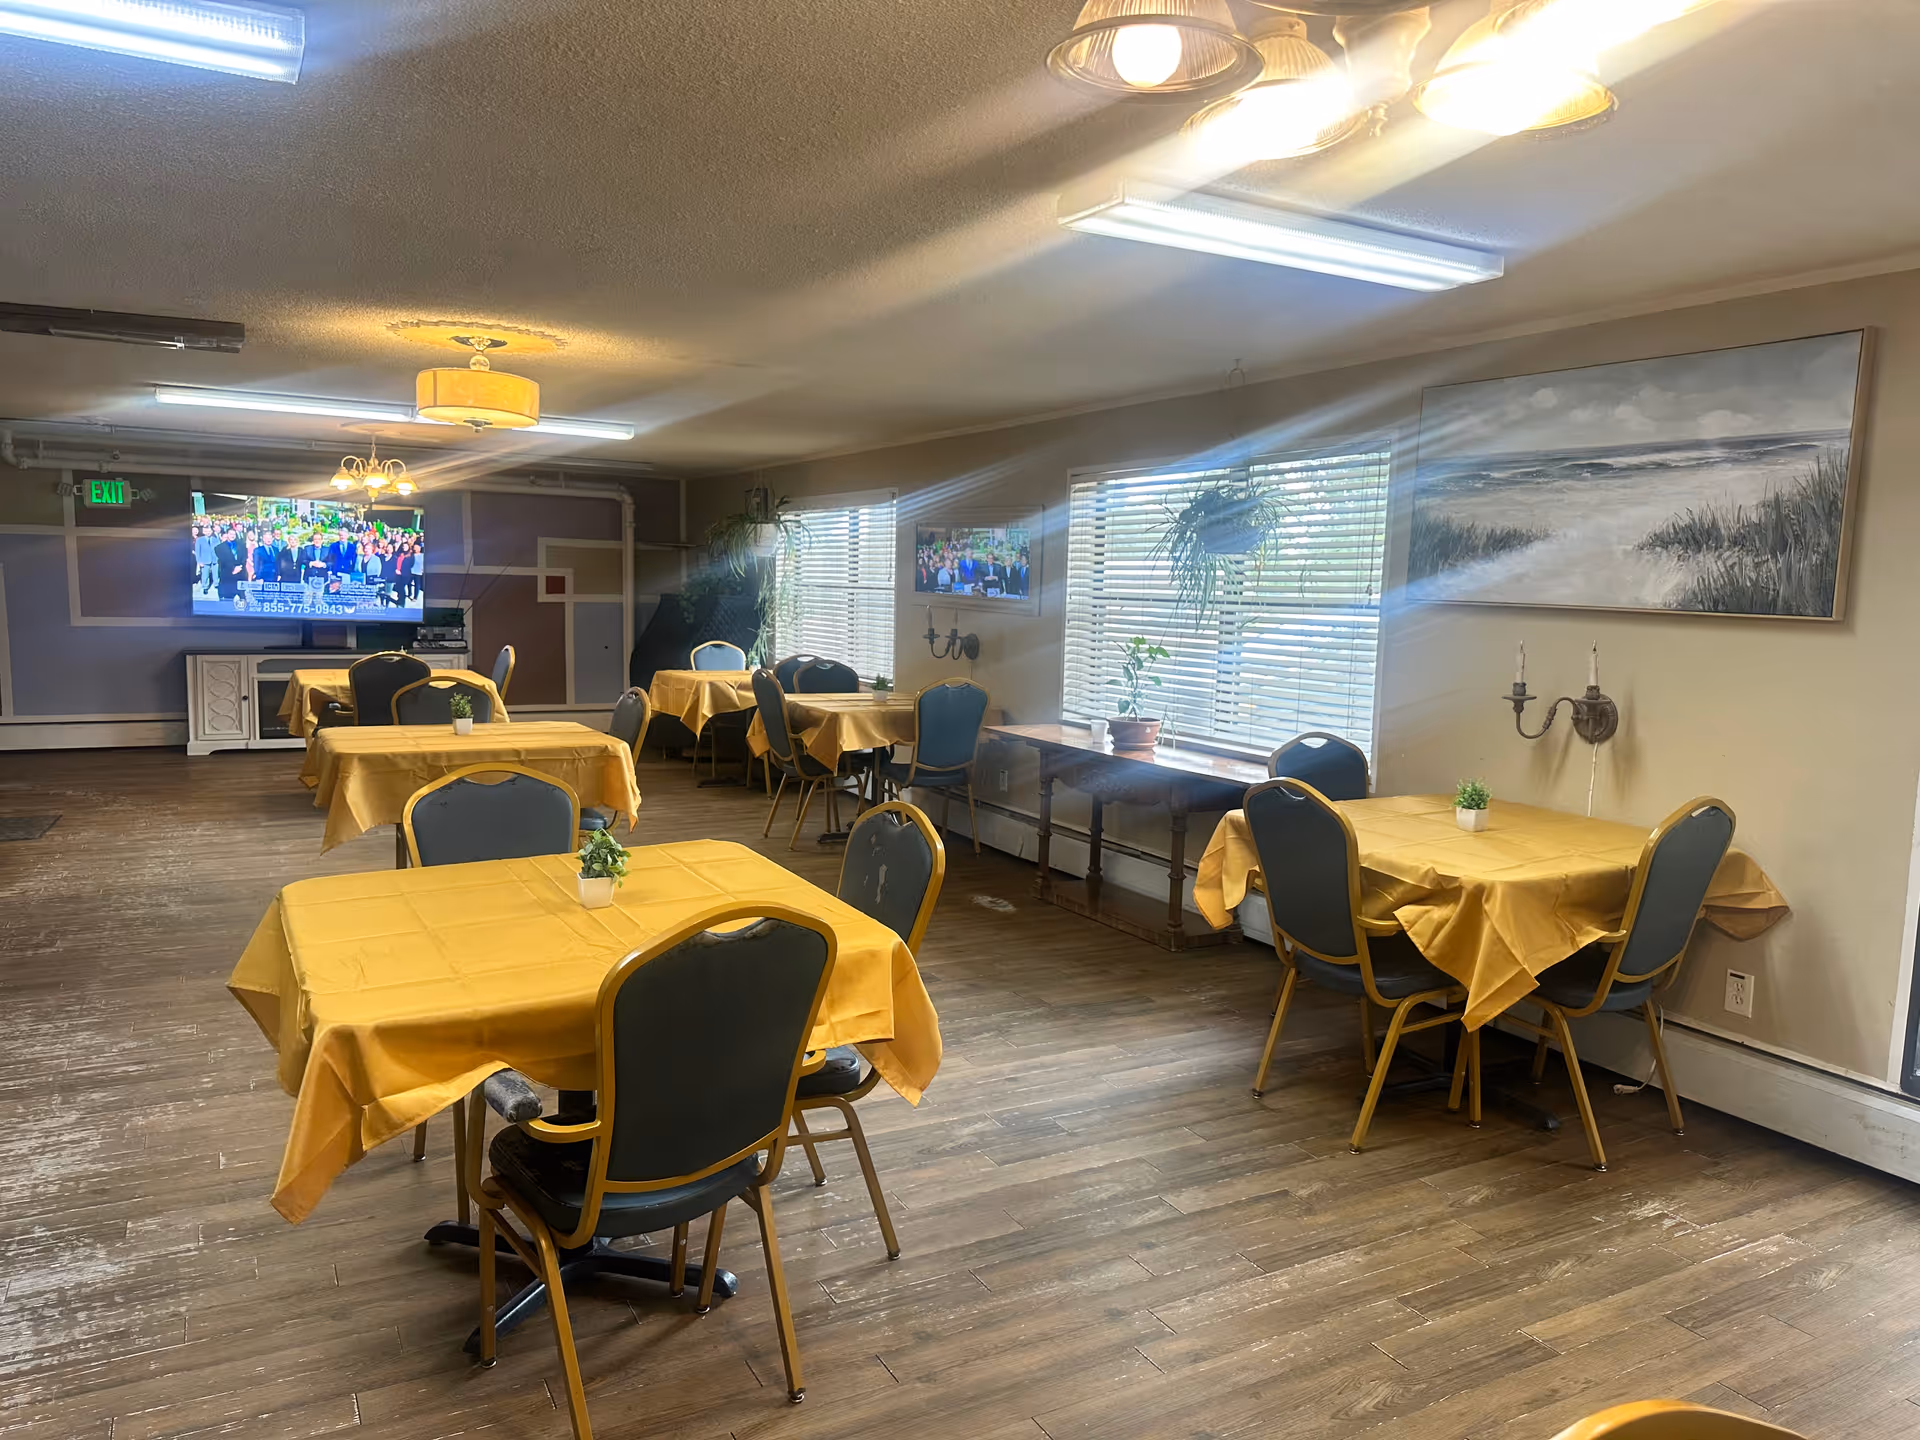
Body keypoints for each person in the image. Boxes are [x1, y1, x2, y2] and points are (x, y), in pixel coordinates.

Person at [214, 527, 246, 604]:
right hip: (227, 574)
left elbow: (244, 556)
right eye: (230, 534)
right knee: (228, 598)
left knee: (242, 597)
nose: (232, 535)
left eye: (234, 534)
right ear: (227, 534)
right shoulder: (219, 548)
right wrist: (233, 568)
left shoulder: (241, 545)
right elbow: (224, 560)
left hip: (240, 574)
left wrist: (240, 567)